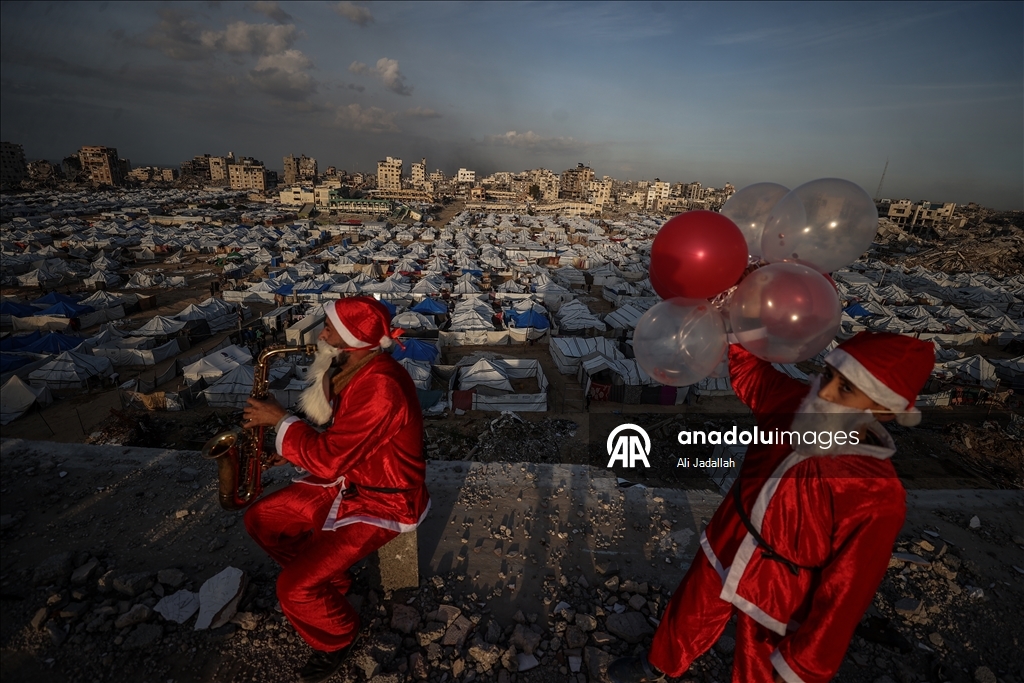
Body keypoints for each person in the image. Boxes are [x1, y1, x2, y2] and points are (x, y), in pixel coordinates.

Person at [608, 331, 935, 683]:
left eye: (846, 389)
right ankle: (660, 662)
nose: (823, 392)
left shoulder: (877, 494)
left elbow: (845, 595)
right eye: (829, 376)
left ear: (884, 410)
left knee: (760, 662)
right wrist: (735, 326)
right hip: (731, 534)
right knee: (692, 607)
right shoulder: (793, 403)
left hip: (785, 583)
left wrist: (802, 667)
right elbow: (754, 375)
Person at [241, 296, 429, 683]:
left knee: (291, 589)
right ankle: (332, 583)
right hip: (350, 480)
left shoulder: (381, 386)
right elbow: (342, 441)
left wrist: (280, 421)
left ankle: (338, 637)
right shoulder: (357, 367)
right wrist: (294, 453)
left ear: (350, 338)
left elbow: (329, 460)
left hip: (384, 500)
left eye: (328, 327)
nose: (320, 333)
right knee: (261, 519)